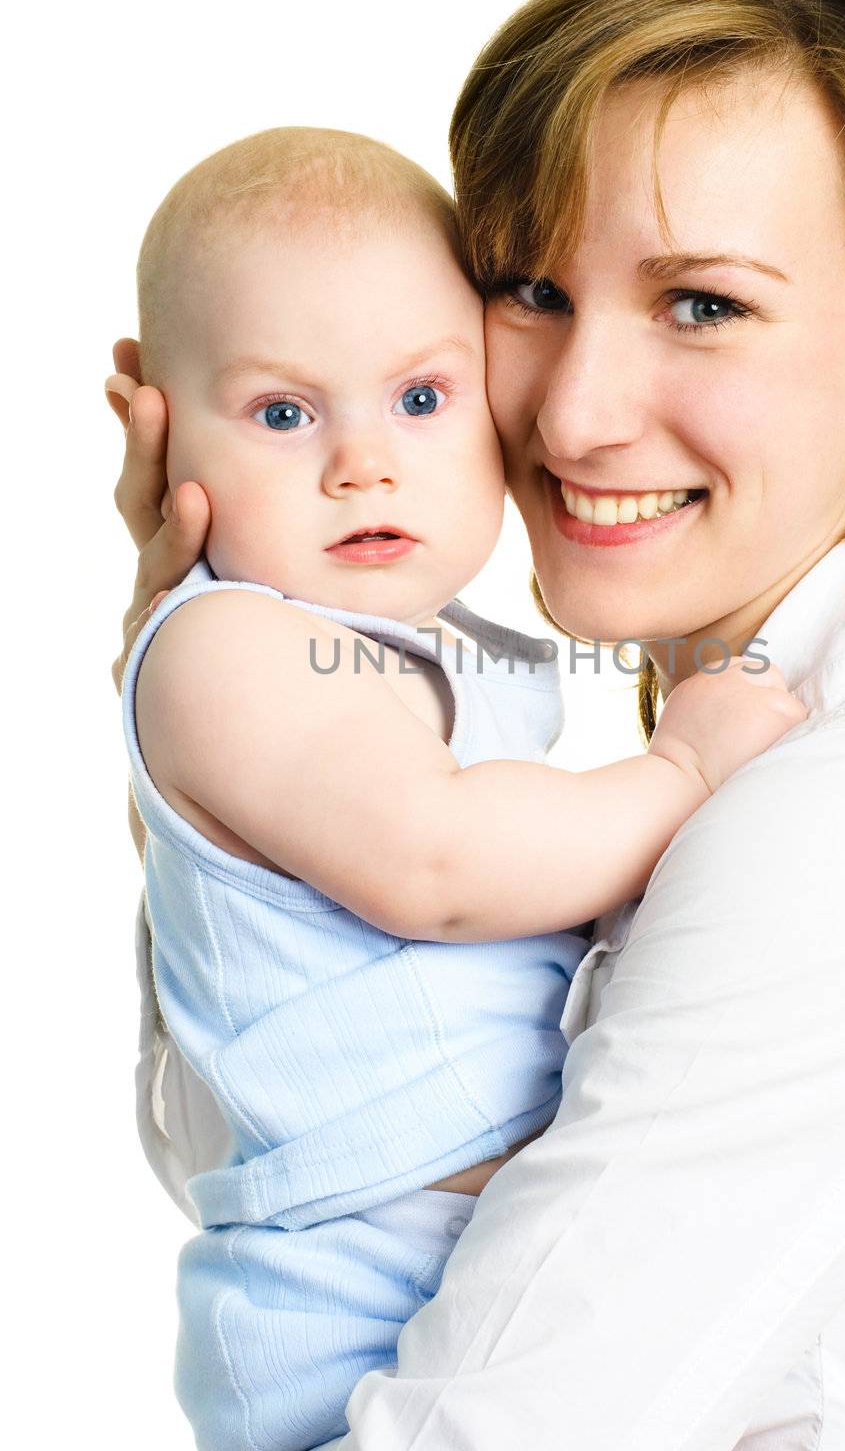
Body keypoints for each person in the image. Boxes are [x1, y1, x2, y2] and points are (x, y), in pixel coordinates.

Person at [109, 0, 845, 1451]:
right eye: (529, 290)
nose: (572, 417)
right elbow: (288, 1133)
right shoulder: (702, 708)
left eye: (705, 304)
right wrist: (212, 696)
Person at [115, 124, 805, 1451]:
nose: (361, 464)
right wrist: (685, 768)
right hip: (347, 1303)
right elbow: (437, 866)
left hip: (458, 1254)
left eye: (422, 399)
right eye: (281, 413)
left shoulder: (423, 644)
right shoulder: (223, 649)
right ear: (152, 416)